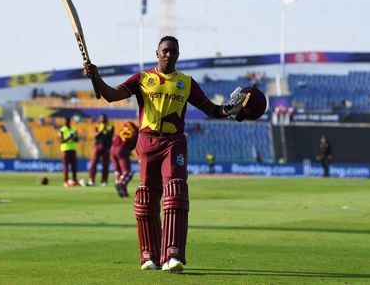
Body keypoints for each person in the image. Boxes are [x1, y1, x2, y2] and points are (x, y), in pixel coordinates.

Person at [84, 36, 267, 272]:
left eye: (173, 51)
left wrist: (231, 109)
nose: (169, 54)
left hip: (174, 142)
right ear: (157, 53)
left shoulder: (186, 82)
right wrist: (96, 77)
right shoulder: (143, 78)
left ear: (179, 55)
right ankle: (149, 255)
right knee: (146, 198)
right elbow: (111, 95)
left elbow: (211, 109)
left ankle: (173, 254)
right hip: (147, 141)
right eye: (165, 51)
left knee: (175, 192)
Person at [112, 121, 139, 198]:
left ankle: (123, 190)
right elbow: (135, 145)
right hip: (122, 149)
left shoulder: (127, 126)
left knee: (119, 171)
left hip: (113, 148)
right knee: (127, 172)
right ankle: (120, 184)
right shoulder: (138, 134)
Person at [87, 113, 114, 186]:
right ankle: (91, 179)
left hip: (107, 147)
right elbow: (95, 135)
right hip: (98, 146)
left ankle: (104, 180)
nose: (103, 120)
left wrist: (106, 130)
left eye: (104, 118)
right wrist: (100, 131)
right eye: (102, 118)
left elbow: (111, 135)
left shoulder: (110, 125)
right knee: (94, 163)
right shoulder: (97, 125)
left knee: (105, 164)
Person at [58, 116, 79, 187]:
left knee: (74, 166)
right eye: (65, 122)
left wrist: (74, 137)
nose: (66, 123)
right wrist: (69, 138)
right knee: (66, 166)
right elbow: (61, 141)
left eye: (67, 121)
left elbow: (77, 140)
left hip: (73, 149)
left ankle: (74, 181)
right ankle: (66, 181)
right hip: (65, 150)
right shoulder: (62, 130)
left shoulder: (74, 129)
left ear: (69, 122)